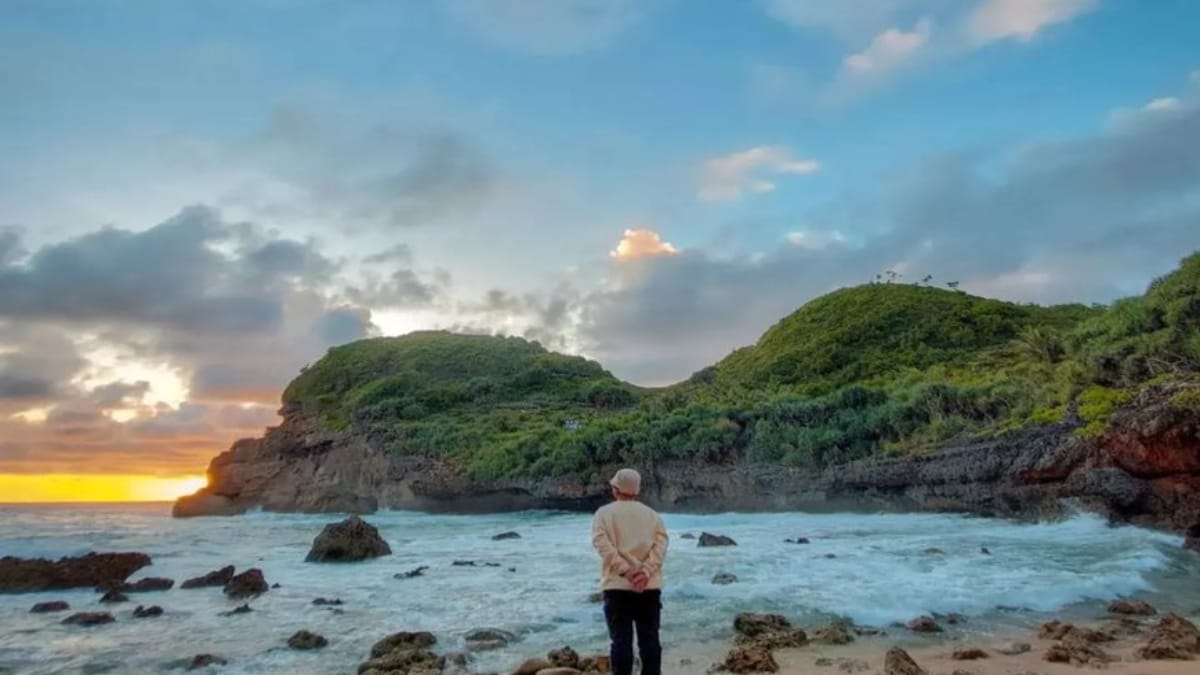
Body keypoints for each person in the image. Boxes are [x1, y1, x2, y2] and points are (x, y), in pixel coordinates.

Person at [591, 468, 670, 675]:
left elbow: (602, 545)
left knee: (621, 642)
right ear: (637, 490)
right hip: (649, 587)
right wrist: (645, 572)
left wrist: (626, 571)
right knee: (650, 642)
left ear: (616, 489)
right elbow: (660, 548)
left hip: (617, 587)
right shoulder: (652, 515)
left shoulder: (604, 513)